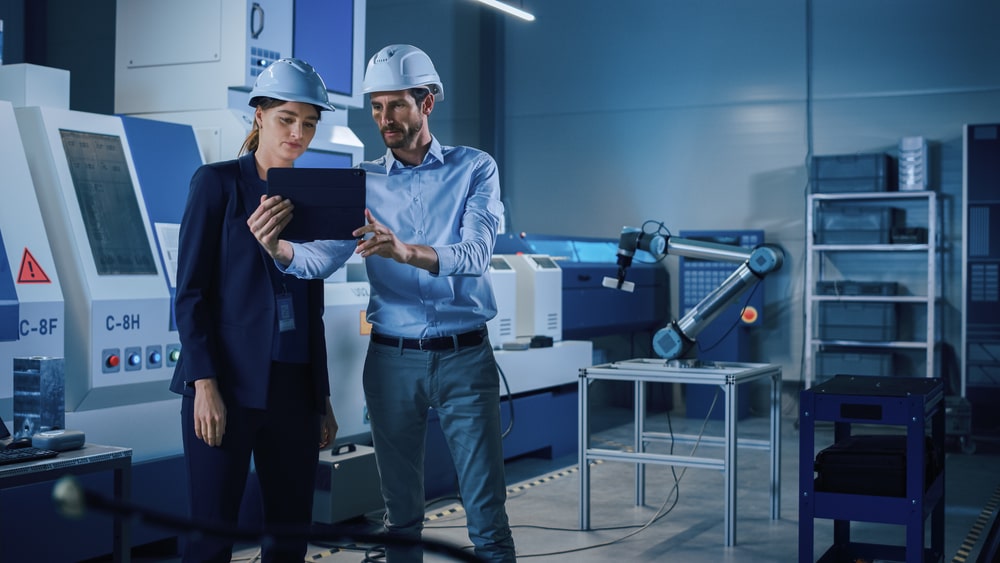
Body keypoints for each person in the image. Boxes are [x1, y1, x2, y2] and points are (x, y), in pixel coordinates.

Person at [247, 44, 516, 562]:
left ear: (427, 103)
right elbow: (319, 260)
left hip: (466, 359)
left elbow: (477, 253)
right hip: (392, 361)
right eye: (375, 106)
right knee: (400, 518)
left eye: (395, 105)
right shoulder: (359, 181)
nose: (383, 118)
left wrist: (403, 251)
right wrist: (277, 247)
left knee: (486, 515)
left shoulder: (474, 169)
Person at [170, 57, 340, 563]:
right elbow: (190, 293)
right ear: (259, 116)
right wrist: (205, 385)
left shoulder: (312, 198)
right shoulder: (217, 184)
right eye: (287, 118)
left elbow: (313, 305)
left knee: (289, 536)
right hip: (226, 384)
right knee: (212, 531)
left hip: (292, 390)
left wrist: (321, 397)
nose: (299, 132)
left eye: (309, 122)